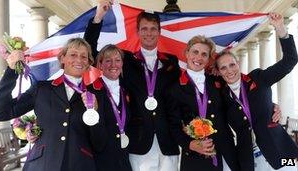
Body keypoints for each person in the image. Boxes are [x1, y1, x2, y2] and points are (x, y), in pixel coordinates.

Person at [84, 1, 181, 170]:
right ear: (137, 32)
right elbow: (90, 51)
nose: (149, 33)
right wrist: (98, 17)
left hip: (168, 141)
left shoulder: (171, 62)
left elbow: (180, 92)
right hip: (138, 141)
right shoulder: (126, 60)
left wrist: (216, 69)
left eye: (153, 29)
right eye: (144, 28)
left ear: (159, 32)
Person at [0, 38, 104, 171]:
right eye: (73, 55)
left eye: (84, 56)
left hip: (79, 164)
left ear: (88, 63)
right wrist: (11, 71)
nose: (79, 60)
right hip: (42, 164)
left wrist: (95, 112)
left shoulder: (96, 96)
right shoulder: (41, 89)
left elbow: (99, 144)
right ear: (62, 58)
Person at [215, 13, 298, 171]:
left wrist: (280, 28)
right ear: (218, 72)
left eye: (232, 64)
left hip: (281, 154)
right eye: (223, 68)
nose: (229, 71)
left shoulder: (259, 78)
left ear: (238, 63)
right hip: (250, 160)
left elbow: (290, 60)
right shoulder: (220, 96)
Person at [166, 35, 240, 171]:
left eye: (204, 54)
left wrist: (272, 106)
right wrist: (190, 144)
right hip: (196, 157)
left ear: (208, 59)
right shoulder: (175, 89)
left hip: (226, 151)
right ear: (187, 53)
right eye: (195, 52)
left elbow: (240, 95)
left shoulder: (218, 81)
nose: (199, 57)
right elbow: (173, 125)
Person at [81, 44, 132, 171]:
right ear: (100, 64)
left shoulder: (126, 90)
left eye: (117, 60)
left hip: (124, 159)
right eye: (108, 61)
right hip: (100, 160)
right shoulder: (90, 92)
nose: (113, 65)